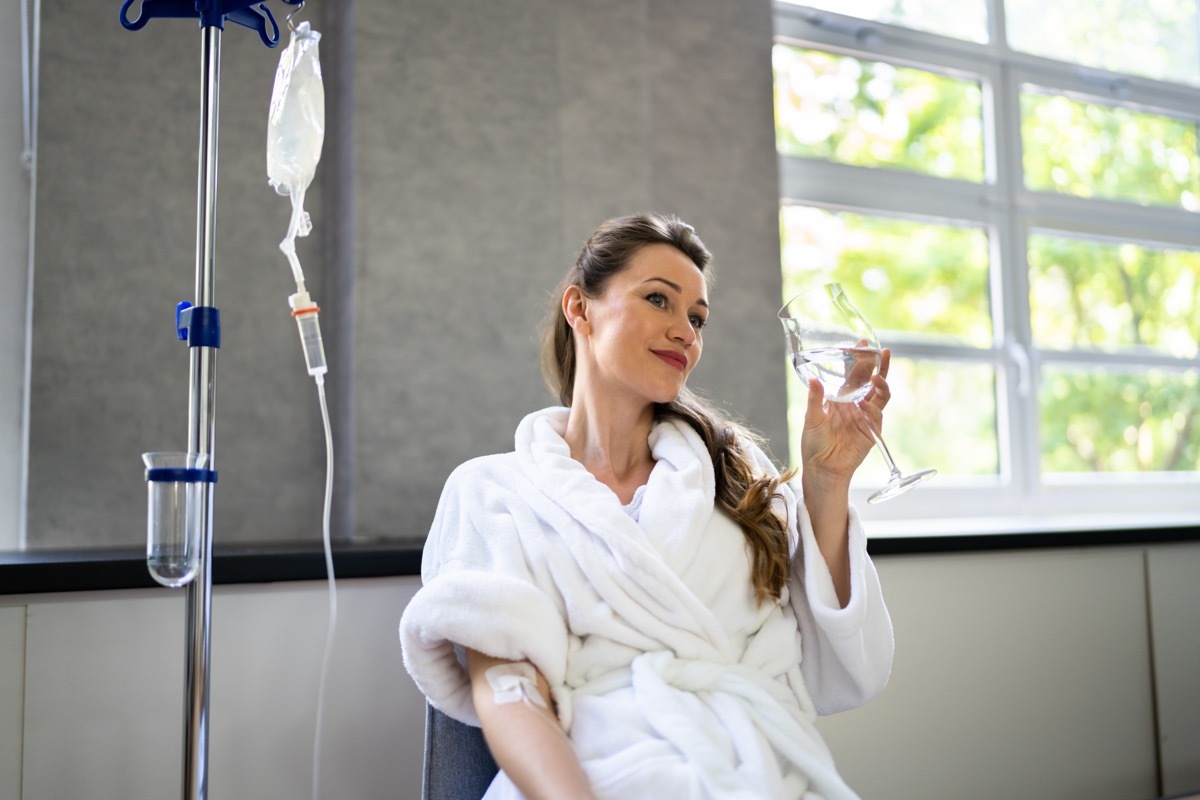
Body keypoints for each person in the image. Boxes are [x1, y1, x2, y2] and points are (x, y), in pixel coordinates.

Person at [400, 213, 894, 799]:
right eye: (658, 299)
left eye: (697, 318)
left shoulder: (736, 475)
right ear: (579, 309)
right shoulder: (493, 491)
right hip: (588, 776)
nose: (685, 331)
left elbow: (833, 665)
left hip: (759, 773)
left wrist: (827, 480)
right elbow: (511, 692)